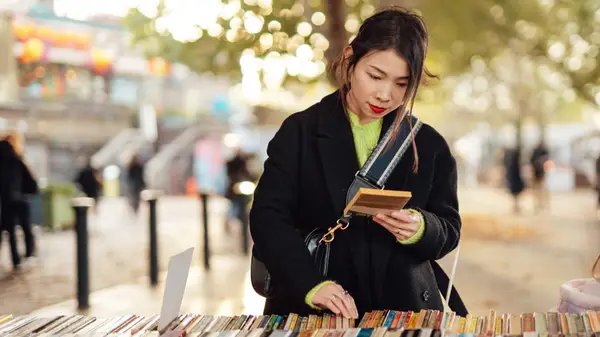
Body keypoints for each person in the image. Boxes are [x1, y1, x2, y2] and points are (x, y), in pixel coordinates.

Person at [249, 7, 463, 319]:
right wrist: (311, 286)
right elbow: (268, 218)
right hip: (314, 308)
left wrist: (421, 228)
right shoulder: (300, 132)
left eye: (402, 83)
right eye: (375, 76)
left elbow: (449, 228)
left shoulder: (428, 144)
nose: (385, 94)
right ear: (350, 61)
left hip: (402, 310)